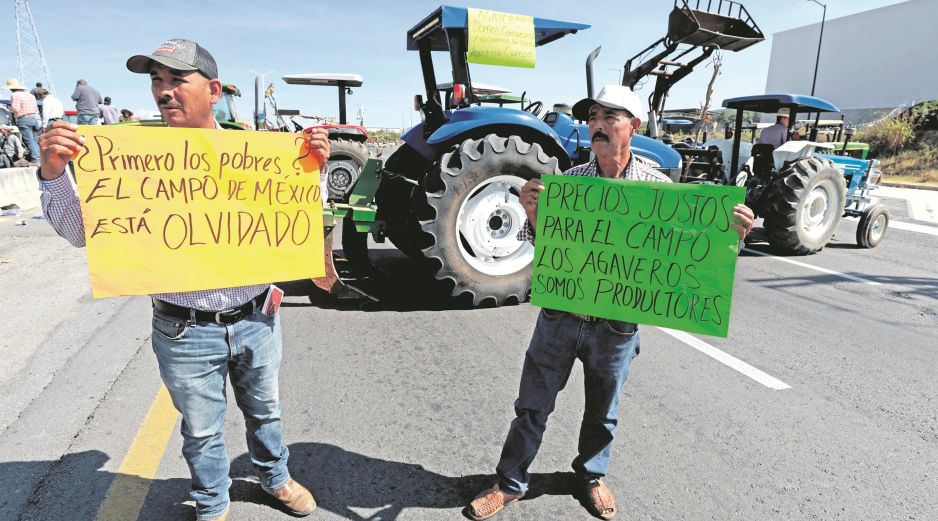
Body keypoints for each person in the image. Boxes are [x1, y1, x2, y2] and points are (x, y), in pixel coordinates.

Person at [38, 38, 331, 521]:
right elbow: (77, 232)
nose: (164, 91)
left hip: (257, 318)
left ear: (213, 90)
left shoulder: (257, 152)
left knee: (266, 410)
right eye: (157, 81)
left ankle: (275, 477)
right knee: (201, 428)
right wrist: (53, 174)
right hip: (184, 330)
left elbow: (296, 219)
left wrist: (313, 172)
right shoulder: (129, 156)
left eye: (177, 79)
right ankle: (213, 501)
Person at [466, 85, 754, 520]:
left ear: (633, 126)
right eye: (593, 118)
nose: (597, 126)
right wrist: (534, 214)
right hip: (560, 318)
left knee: (603, 412)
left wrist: (729, 235)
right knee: (532, 406)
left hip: (616, 324)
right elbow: (542, 247)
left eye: (609, 117)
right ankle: (509, 483)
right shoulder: (569, 184)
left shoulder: (659, 189)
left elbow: (683, 254)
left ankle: (591, 477)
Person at [6, 78, 41, 164]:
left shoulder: (15, 95)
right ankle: (40, 159)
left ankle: (35, 160)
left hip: (24, 119)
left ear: (12, 88)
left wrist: (9, 108)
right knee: (35, 141)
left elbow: (16, 109)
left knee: (29, 141)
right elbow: (36, 108)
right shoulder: (30, 95)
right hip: (34, 118)